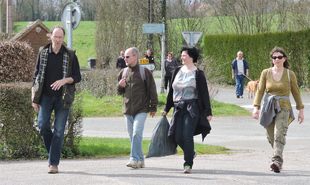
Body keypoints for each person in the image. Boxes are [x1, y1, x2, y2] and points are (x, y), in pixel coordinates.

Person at [31, 25, 81, 174]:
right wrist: (34, 96)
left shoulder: (70, 55)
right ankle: (53, 152)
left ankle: (53, 163)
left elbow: (78, 77)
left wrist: (64, 80)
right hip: (45, 97)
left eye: (61, 37)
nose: (58, 40)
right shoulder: (43, 52)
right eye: (56, 37)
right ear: (50, 37)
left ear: (63, 38)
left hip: (62, 99)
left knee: (59, 132)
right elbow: (36, 76)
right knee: (43, 126)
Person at [252, 47, 304, 173]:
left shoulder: (289, 74)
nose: (277, 59)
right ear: (272, 59)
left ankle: (276, 161)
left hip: (284, 107)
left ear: (284, 59)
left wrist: (300, 109)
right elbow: (260, 91)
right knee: (271, 136)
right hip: (268, 107)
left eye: (279, 57)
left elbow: (296, 92)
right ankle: (278, 156)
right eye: (274, 57)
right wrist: (256, 107)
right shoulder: (266, 73)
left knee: (279, 133)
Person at [162, 46, 212, 174]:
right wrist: (167, 108)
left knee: (187, 136)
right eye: (182, 55)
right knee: (177, 137)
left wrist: (208, 112)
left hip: (192, 108)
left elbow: (204, 94)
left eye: (184, 55)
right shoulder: (177, 71)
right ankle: (191, 153)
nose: (182, 57)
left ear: (191, 57)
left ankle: (188, 163)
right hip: (178, 107)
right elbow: (171, 91)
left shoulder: (198, 74)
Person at [117, 47, 158, 169]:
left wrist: (153, 106)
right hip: (127, 109)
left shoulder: (145, 72)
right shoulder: (123, 73)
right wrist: (119, 86)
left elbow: (152, 90)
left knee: (136, 133)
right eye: (124, 57)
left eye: (127, 57)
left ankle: (133, 159)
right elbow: (119, 92)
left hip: (142, 109)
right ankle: (140, 159)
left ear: (135, 57)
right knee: (133, 135)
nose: (125, 59)